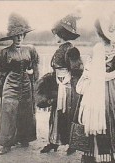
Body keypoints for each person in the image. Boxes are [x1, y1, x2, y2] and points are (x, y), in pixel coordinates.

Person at [77, 14, 115, 163]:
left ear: (99, 33)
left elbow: (89, 69)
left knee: (94, 118)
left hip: (96, 89)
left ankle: (93, 155)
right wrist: (108, 76)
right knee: (111, 119)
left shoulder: (97, 48)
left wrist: (98, 76)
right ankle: (114, 153)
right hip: (110, 89)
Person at [38, 14, 83, 155]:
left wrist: (66, 82)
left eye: (56, 34)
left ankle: (73, 144)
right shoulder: (61, 48)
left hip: (68, 89)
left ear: (61, 35)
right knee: (55, 114)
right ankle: (54, 141)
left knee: (68, 115)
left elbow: (77, 70)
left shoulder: (71, 50)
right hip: (59, 87)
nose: (54, 36)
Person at [0, 13, 39, 155]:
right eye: (16, 36)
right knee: (8, 110)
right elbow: (0, 69)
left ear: (24, 36)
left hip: (25, 83)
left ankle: (24, 138)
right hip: (11, 83)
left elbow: (34, 65)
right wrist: (4, 83)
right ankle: (6, 143)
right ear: (11, 37)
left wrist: (32, 75)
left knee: (26, 109)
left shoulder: (30, 50)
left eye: (21, 35)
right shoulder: (4, 52)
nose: (19, 38)